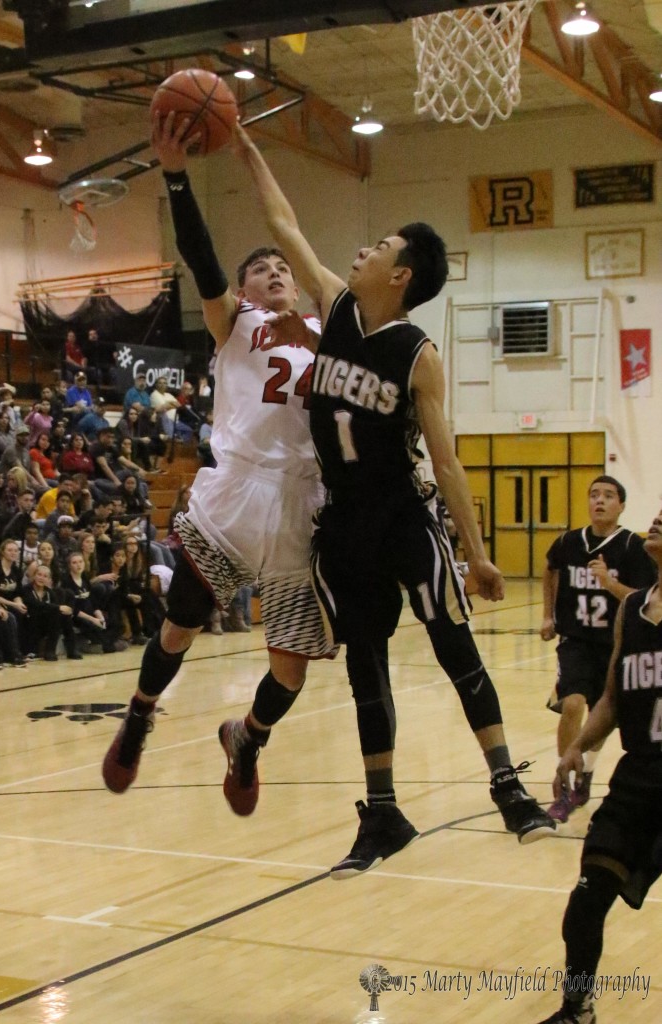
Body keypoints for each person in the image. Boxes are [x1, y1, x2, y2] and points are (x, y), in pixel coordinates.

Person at [236, 121, 555, 876]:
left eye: (378, 246)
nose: (363, 251)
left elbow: (446, 464)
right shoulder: (337, 307)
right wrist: (244, 146)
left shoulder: (420, 355)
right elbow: (283, 222)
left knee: (453, 644)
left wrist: (476, 556)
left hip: (403, 514)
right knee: (364, 667)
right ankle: (382, 813)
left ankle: (507, 788)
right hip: (342, 521)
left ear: (402, 274)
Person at [101, 110, 336, 801]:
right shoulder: (236, 322)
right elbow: (202, 261)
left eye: (280, 269)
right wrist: (176, 178)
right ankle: (139, 716)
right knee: (178, 629)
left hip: (300, 502)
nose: (272, 274)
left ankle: (248, 737)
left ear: (295, 283)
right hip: (235, 491)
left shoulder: (329, 329)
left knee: (290, 670)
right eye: (259, 269)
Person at [534, 505, 662, 1024]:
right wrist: (577, 748)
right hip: (637, 779)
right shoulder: (632, 612)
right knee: (586, 899)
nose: (656, 522)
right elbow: (611, 696)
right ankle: (576, 1009)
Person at [540, 475, 656, 823]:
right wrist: (548, 614)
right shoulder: (568, 541)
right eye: (594, 495)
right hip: (575, 641)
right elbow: (550, 570)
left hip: (614, 644)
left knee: (603, 715)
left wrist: (609, 583)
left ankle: (586, 773)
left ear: (621, 505)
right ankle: (566, 783)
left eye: (608, 496)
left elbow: (640, 599)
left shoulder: (634, 548)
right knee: (572, 703)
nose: (599, 501)